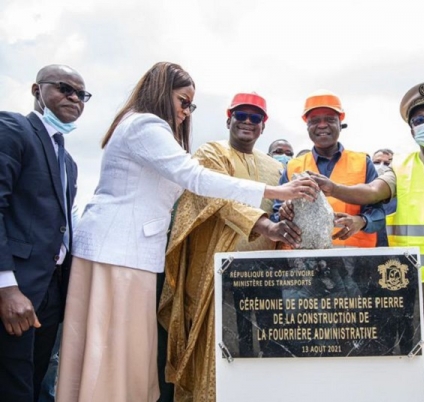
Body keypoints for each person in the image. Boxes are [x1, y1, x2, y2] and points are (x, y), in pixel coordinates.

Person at [55, 63, 317, 402]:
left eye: (190, 105)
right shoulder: (146, 125)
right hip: (118, 250)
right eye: (183, 101)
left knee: (122, 348)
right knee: (113, 347)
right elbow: (196, 180)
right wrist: (275, 195)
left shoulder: (144, 127)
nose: (185, 111)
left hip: (129, 251)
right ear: (162, 93)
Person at [308, 82, 424, 401]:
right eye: (419, 120)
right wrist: (333, 188)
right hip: (412, 287)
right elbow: (370, 192)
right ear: (411, 130)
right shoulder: (399, 170)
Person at [157, 91, 298, 401]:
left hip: (265, 278)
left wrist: (285, 216)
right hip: (217, 276)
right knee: (215, 357)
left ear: (263, 125)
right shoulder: (209, 154)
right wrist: (266, 226)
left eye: (255, 118)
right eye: (241, 116)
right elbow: (219, 199)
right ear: (229, 119)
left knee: (260, 358)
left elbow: (283, 209)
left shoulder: (275, 168)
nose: (247, 122)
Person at [0, 64, 88, 402]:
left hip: (51, 290)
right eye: (65, 88)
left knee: (37, 383)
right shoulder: (14, 129)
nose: (74, 98)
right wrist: (7, 288)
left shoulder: (69, 162)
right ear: (37, 91)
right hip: (16, 289)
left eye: (82, 95)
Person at [274, 89, 385, 247]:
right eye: (314, 120)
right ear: (307, 126)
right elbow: (277, 212)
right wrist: (283, 214)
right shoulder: (293, 167)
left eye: (329, 119)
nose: (322, 125)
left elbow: (379, 213)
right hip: (303, 264)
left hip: (354, 263)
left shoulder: (362, 163)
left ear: (340, 124)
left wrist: (361, 221)